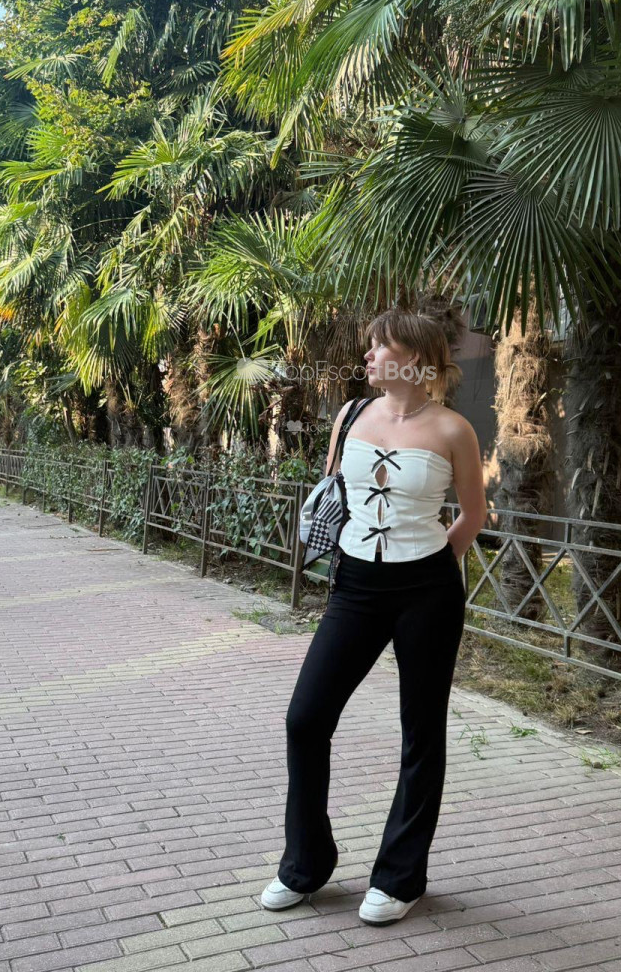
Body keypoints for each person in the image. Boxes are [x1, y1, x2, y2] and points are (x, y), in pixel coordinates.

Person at [261, 307, 488, 926]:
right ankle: (305, 865)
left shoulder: (454, 430)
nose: (367, 356)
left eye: (378, 346)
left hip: (428, 591)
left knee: (421, 732)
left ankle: (399, 878)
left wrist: (430, 566)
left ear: (413, 358)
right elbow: (336, 494)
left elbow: (472, 515)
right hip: (355, 586)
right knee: (306, 718)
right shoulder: (351, 415)